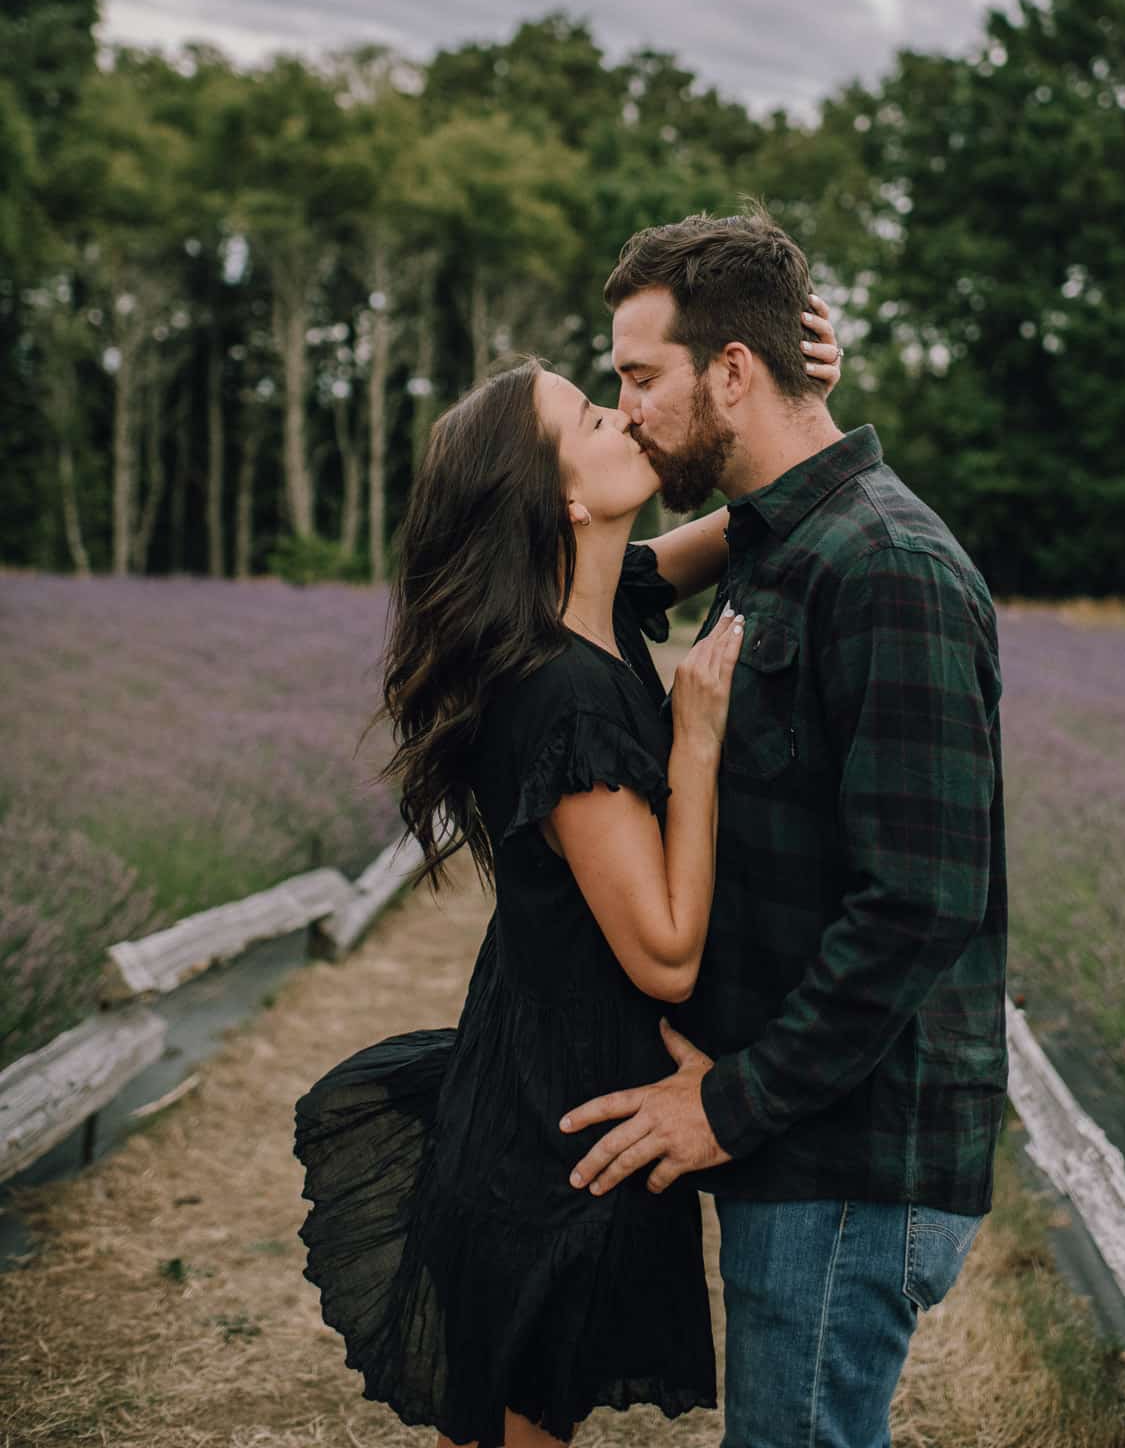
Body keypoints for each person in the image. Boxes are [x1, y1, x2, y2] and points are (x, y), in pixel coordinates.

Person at [293, 301, 843, 1448]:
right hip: (554, 1135)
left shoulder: (602, 605)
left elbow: (760, 508)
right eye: (596, 412)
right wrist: (694, 739)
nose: (628, 410)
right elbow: (665, 947)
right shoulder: (562, 688)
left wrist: (794, 391)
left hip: (562, 1092)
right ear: (562, 499)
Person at [560, 207, 1008, 1448]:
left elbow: (920, 901)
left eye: (640, 376)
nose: (631, 406)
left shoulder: (886, 567)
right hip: (801, 1139)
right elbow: (593, 584)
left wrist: (732, 1102)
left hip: (848, 1151)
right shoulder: (781, 542)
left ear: (733, 370)